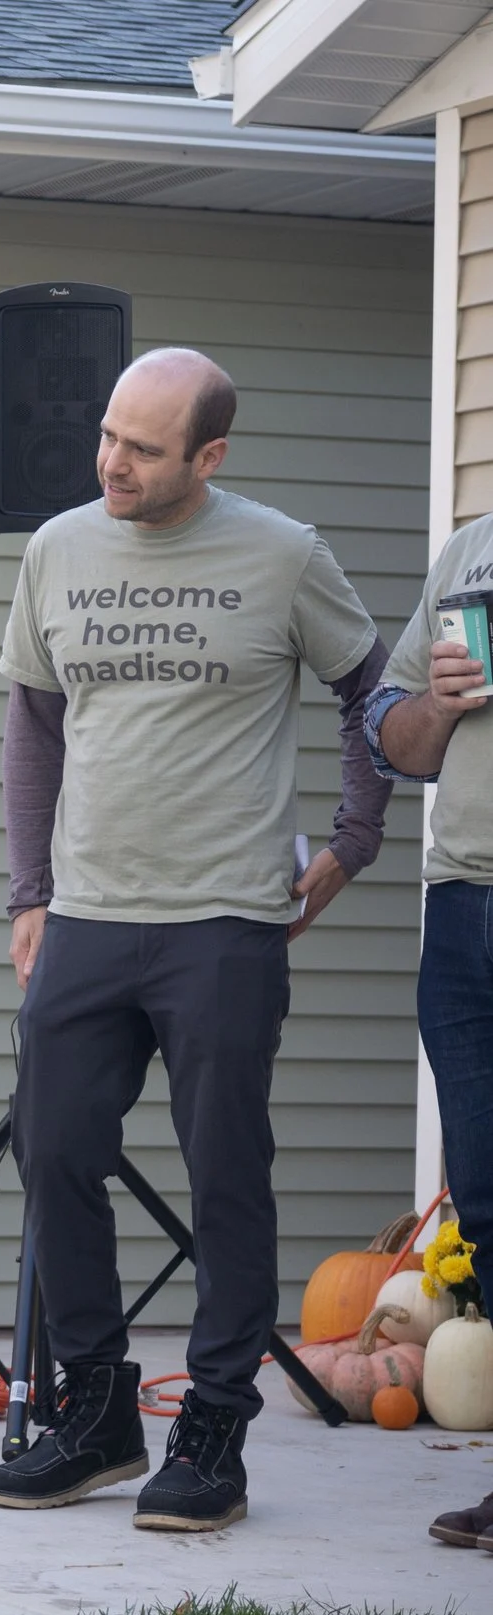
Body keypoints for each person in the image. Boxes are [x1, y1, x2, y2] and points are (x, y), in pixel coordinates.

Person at [0, 348, 389, 1532]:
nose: (112, 461)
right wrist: (30, 890)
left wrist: (350, 842)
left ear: (208, 456)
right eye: (107, 435)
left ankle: (212, 1428)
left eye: (144, 448)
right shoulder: (57, 548)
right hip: (89, 914)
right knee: (52, 1146)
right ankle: (100, 1409)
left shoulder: (282, 553)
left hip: (224, 919)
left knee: (226, 1175)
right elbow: (32, 724)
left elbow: (369, 690)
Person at [364, 510, 493, 1550]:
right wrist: (438, 707)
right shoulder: (470, 548)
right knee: (488, 1203)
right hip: (460, 911)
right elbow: (394, 735)